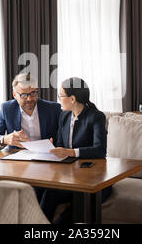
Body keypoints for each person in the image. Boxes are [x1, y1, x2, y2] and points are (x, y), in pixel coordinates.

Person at [39, 77, 111, 224]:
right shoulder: (64, 116)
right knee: (49, 194)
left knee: (75, 210)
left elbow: (100, 150)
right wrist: (52, 149)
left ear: (72, 99)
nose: (58, 99)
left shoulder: (96, 117)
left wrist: (70, 152)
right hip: (70, 178)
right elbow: (61, 145)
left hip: (95, 179)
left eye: (60, 96)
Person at [0, 73, 62, 201]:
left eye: (33, 93)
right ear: (15, 95)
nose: (29, 99)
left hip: (48, 163)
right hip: (19, 165)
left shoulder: (53, 108)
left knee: (41, 191)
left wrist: (57, 143)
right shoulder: (7, 109)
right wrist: (5, 139)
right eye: (23, 95)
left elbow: (65, 138)